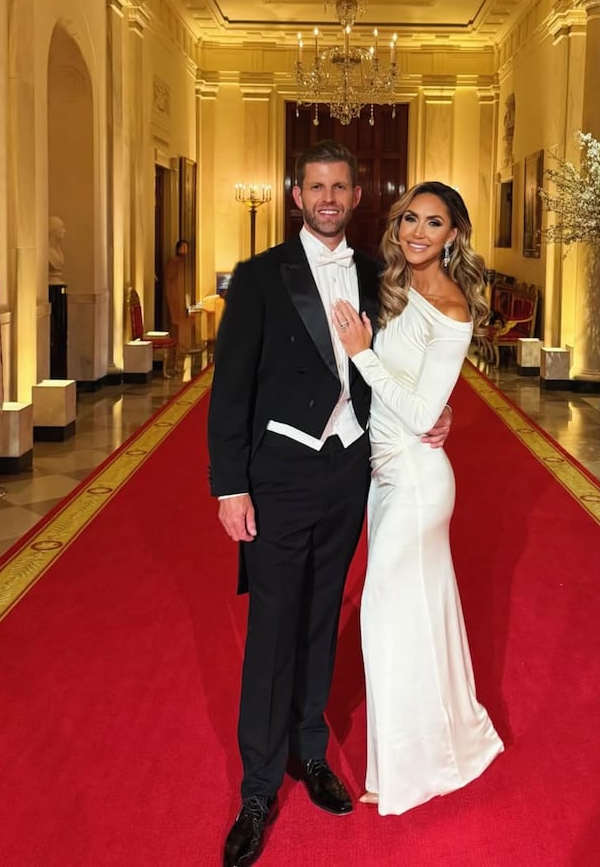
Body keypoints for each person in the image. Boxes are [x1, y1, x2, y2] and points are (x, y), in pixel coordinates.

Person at [207, 141, 452, 867]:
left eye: (339, 186)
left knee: (320, 616)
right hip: (279, 470)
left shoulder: (382, 276)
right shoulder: (258, 278)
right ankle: (257, 787)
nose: (328, 197)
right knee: (274, 624)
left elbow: (408, 363)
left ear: (355, 194)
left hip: (350, 472)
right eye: (315, 186)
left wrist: (438, 414)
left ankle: (310, 753)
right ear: (296, 195)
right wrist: (230, 486)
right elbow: (231, 391)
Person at [331, 181, 505, 816]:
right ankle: (441, 746)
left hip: (416, 481)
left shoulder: (453, 311)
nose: (418, 232)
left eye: (434, 223)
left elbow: (418, 409)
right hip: (386, 478)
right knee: (418, 619)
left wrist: (363, 355)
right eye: (410, 219)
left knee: (381, 618)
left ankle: (406, 766)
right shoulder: (395, 288)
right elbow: (421, 394)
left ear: (453, 235)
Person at [164, 238, 195, 352]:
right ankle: (175, 349)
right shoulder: (173, 262)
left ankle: (181, 348)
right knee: (175, 324)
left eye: (186, 248)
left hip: (181, 299)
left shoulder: (183, 263)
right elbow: (170, 281)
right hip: (175, 299)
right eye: (183, 248)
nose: (185, 250)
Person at [48, 215, 66, 285]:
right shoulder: (47, 253)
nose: (64, 231)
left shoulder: (58, 251)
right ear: (52, 230)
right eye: (61, 228)